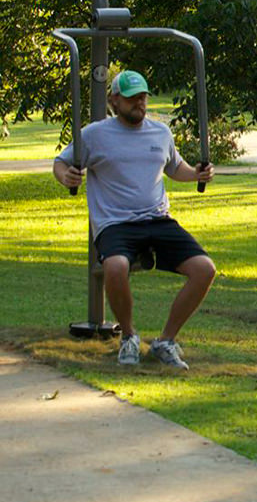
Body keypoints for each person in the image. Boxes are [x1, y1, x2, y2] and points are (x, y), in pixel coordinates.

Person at [53, 70, 216, 369]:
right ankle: (128, 337)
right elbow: (61, 163)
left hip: (157, 218)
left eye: (142, 97)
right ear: (114, 100)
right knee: (115, 266)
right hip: (116, 223)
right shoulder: (94, 134)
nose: (139, 103)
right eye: (131, 98)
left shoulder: (160, 133)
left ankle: (165, 341)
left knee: (204, 269)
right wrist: (67, 177)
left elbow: (175, 167)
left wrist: (197, 174)